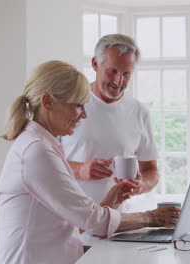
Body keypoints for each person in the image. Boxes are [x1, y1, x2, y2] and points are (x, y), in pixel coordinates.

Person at [0, 60, 181, 264]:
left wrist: (113, 200)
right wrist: (152, 218)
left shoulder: (41, 146)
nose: (84, 114)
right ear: (47, 102)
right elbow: (92, 220)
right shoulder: (36, 151)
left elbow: (74, 223)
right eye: (78, 105)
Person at [62, 34, 158, 205]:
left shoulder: (139, 111)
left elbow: (151, 171)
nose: (118, 81)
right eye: (112, 71)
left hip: (120, 222)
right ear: (95, 64)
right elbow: (43, 163)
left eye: (126, 74)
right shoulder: (68, 104)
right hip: (73, 221)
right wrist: (80, 170)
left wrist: (140, 185)